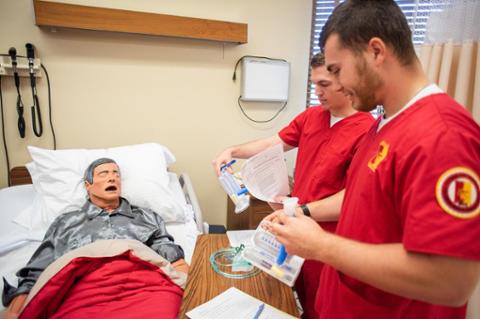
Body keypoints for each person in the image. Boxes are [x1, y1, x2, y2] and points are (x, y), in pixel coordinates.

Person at [268, 1, 480, 318]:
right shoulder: (384, 124)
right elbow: (363, 205)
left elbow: (452, 280)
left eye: (338, 71)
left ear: (376, 52)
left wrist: (320, 246)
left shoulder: (442, 135)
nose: (336, 85)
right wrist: (303, 216)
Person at [213, 53, 374, 319]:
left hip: (329, 238)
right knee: (296, 296)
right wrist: (233, 151)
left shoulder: (367, 130)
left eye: (323, 84)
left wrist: (302, 211)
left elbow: (353, 198)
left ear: (346, 80)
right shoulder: (313, 116)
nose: (316, 91)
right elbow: (274, 143)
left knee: (324, 305)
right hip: (297, 227)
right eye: (314, 84)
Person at [2, 158, 188, 314]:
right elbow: (40, 267)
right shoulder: (67, 222)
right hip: (83, 289)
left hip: (145, 285)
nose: (113, 178)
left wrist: (185, 278)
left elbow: (167, 250)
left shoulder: (146, 216)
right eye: (104, 174)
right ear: (88, 186)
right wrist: (15, 310)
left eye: (116, 174)